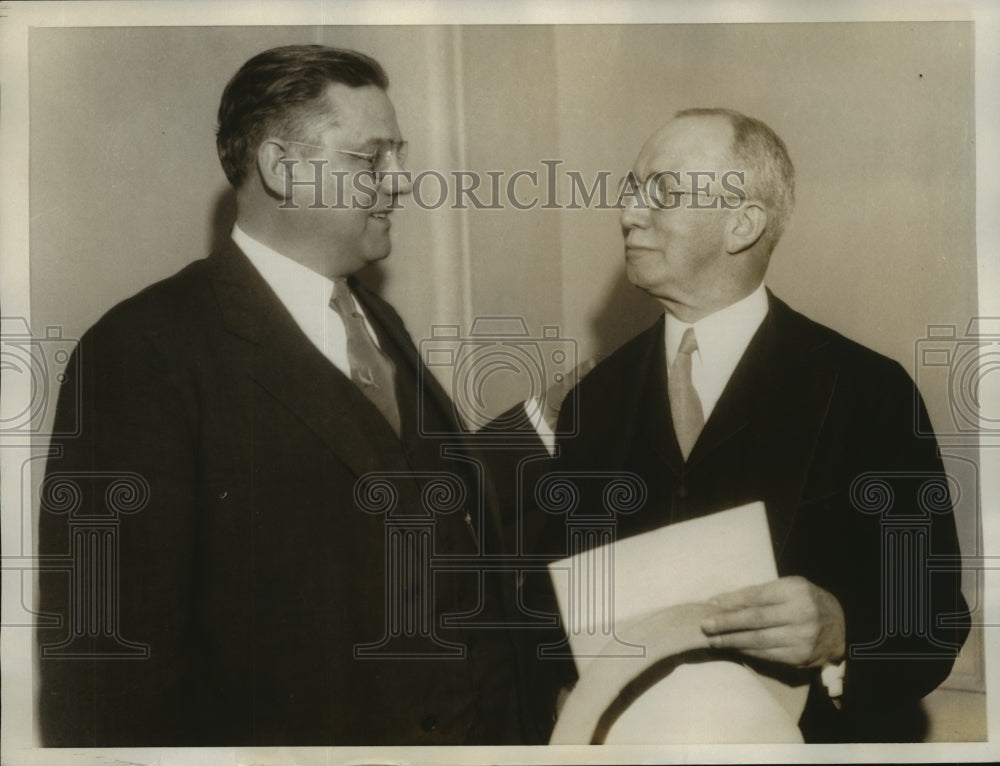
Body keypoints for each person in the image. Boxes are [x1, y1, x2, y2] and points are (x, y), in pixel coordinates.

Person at [36, 45, 523, 747]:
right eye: (371, 159)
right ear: (282, 169)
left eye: (399, 155)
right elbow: (107, 677)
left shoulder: (378, 321)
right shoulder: (140, 353)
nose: (400, 182)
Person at [512, 108, 970, 743]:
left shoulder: (867, 390)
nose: (628, 214)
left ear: (743, 224)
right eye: (631, 189)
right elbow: (545, 611)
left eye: (663, 192)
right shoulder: (595, 399)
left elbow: (934, 621)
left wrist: (842, 633)